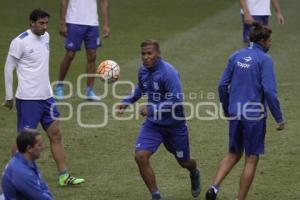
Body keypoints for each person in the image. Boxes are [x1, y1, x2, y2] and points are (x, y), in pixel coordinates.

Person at [3, 8, 85, 186]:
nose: (44, 27)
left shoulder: (46, 37)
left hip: (47, 97)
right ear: (31, 22)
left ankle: (64, 176)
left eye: (46, 23)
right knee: (23, 141)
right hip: (29, 98)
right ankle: (10, 176)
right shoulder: (19, 42)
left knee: (56, 135)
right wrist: (9, 96)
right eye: (41, 23)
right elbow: (8, 68)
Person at [205, 22, 285, 200]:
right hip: (254, 117)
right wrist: (279, 118)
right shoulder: (265, 60)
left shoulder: (236, 56)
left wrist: (227, 109)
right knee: (251, 158)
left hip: (236, 113)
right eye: (270, 40)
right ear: (263, 41)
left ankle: (214, 187)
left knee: (233, 153)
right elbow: (270, 92)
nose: (271, 43)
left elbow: (222, 85)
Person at [117, 40, 201, 200]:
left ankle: (194, 172)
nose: (146, 57)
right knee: (140, 157)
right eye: (143, 54)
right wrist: (127, 101)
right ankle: (155, 196)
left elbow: (177, 100)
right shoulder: (142, 70)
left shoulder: (169, 73)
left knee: (184, 162)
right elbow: (141, 88)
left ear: (158, 54)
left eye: (150, 53)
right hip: (153, 125)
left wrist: (152, 109)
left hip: (174, 126)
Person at [54, 0, 110, 101]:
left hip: (92, 23)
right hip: (73, 21)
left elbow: (103, 2)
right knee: (70, 54)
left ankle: (89, 90)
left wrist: (106, 24)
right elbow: (64, 1)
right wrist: (63, 22)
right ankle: (59, 86)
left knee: (92, 55)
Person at [2, 129, 53, 200]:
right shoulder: (22, 172)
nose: (42, 148)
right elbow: (40, 197)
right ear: (29, 148)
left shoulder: (25, 160)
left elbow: (42, 184)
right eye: (39, 145)